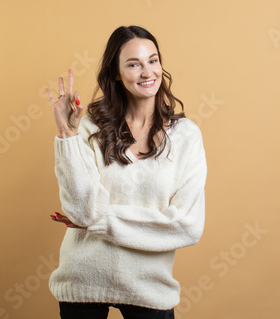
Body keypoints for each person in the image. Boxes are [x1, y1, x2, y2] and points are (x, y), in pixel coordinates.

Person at [44, 25, 208, 319]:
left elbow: (187, 225)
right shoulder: (89, 125)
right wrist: (67, 134)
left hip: (149, 287)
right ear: (116, 73)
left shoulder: (186, 136)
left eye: (153, 60)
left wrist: (99, 220)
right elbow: (82, 210)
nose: (147, 73)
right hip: (83, 280)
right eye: (134, 64)